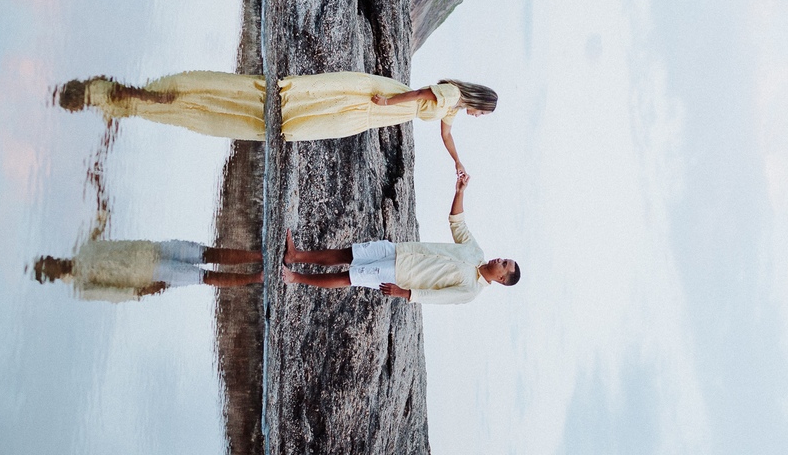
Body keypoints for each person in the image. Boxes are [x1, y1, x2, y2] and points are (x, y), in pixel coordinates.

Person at [56, 71, 495, 174]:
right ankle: (126, 97)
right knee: (330, 111)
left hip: (385, 111)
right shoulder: (451, 95)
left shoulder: (453, 108)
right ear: (477, 101)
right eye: (482, 112)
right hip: (386, 103)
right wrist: (388, 100)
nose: (476, 117)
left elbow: (445, 130)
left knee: (333, 119)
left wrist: (457, 162)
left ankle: (122, 97)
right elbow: (420, 97)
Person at [280, 174, 518, 304]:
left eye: (504, 264)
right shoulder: (476, 252)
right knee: (348, 254)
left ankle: (296, 278)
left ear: (501, 278)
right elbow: (458, 224)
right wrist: (459, 192)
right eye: (504, 259)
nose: (500, 259)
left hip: (400, 274)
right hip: (401, 251)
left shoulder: (471, 291)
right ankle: (295, 256)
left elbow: (437, 297)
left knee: (348, 277)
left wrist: (404, 292)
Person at [33, 237, 263, 303]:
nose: (51, 258)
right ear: (51, 275)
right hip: (150, 273)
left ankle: (258, 256)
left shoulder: (82, 249)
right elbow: (110, 294)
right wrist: (141, 292)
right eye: (47, 262)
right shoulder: (81, 287)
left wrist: (100, 193)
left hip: (151, 248)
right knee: (204, 276)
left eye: (47, 257)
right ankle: (257, 277)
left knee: (206, 253)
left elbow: (102, 225)